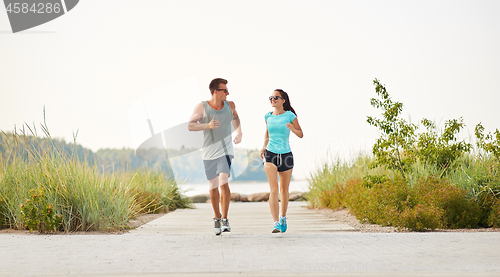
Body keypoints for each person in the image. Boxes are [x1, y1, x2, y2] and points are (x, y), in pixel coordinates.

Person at [188, 78, 242, 235]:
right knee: (213, 186)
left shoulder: (230, 105)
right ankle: (217, 217)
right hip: (209, 153)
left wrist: (239, 132)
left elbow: (236, 117)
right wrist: (208, 125)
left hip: (225, 151)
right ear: (216, 91)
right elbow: (191, 125)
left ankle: (225, 219)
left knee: (224, 182)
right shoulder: (202, 107)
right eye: (225, 90)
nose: (228, 93)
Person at [260, 89, 303, 233]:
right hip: (270, 154)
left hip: (286, 155)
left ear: (283, 100)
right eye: (271, 97)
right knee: (273, 189)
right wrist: (263, 147)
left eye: (275, 97)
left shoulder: (290, 116)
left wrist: (292, 128)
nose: (272, 99)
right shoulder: (268, 116)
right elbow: (267, 133)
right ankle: (276, 222)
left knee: (284, 190)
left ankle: (283, 217)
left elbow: (301, 134)